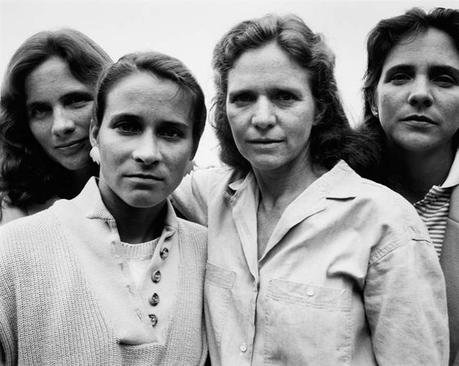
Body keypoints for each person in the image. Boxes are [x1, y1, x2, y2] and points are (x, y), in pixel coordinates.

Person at [172, 14, 448, 365]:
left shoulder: (385, 222)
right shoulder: (209, 196)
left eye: (284, 97)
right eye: (242, 99)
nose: (262, 118)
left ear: (319, 107)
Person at [0, 51, 208, 365]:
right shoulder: (13, 251)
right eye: (127, 126)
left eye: (171, 133)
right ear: (96, 133)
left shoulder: (210, 254)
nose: (147, 153)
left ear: (192, 147)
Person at [357, 7, 459, 364]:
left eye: (444, 78)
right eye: (400, 76)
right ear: (372, 98)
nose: (420, 94)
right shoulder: (332, 192)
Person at [0, 28, 112, 224]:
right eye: (40, 110)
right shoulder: (9, 216)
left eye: (76, 100)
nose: (60, 126)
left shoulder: (171, 199)